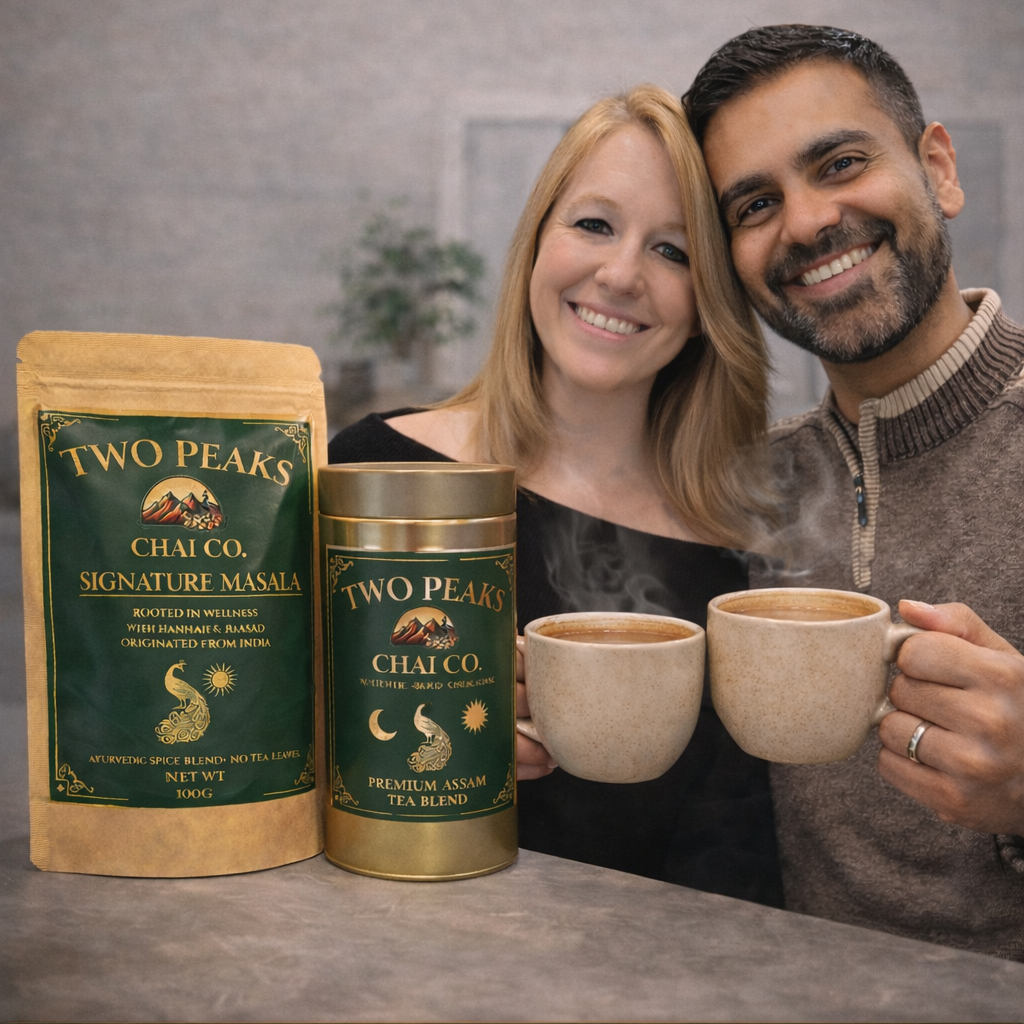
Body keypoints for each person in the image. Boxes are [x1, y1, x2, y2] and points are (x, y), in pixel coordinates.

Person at [330, 84, 783, 904]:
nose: (621, 274)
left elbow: (735, 851)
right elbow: (279, 742)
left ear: (707, 307)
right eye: (595, 224)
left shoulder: (736, 555)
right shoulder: (374, 472)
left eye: (673, 252)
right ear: (538, 241)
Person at [683, 24, 1024, 959]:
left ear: (938, 170)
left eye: (840, 163)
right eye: (755, 204)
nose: (804, 223)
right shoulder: (746, 490)